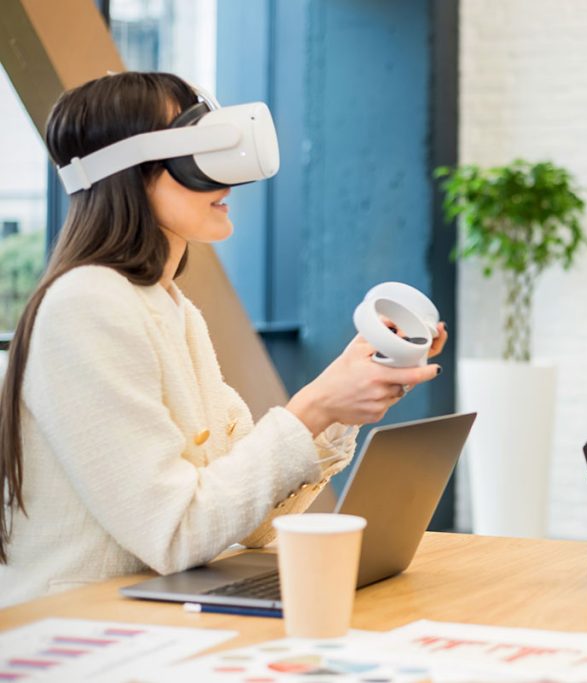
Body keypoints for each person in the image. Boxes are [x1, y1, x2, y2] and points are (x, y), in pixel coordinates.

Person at [0, 72, 446, 607]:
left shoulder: (173, 310)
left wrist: (336, 408)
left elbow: (250, 525)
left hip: (153, 610)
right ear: (131, 171)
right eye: (198, 152)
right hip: (79, 625)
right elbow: (175, 533)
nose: (226, 180)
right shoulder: (87, 304)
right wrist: (311, 407)